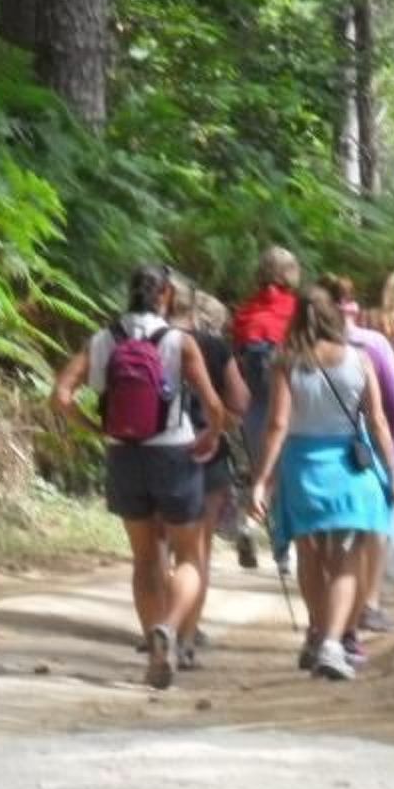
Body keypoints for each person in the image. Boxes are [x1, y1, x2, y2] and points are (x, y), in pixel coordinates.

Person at [52, 265, 227, 690]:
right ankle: (170, 625)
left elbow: (60, 395)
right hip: (174, 453)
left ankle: (154, 653)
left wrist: (95, 430)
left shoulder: (102, 339)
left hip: (123, 456)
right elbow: (215, 406)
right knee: (188, 555)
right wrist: (211, 435)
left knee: (146, 558)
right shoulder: (179, 342)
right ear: (165, 294)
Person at [247, 285, 394, 681]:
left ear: (297, 319)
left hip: (302, 468)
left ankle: (317, 634)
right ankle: (334, 643)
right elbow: (379, 421)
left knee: (310, 554)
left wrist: (261, 481)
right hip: (352, 469)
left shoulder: (286, 363)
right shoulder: (360, 359)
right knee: (347, 559)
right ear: (335, 317)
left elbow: (278, 424)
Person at [169, 275, 250, 669]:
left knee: (157, 550)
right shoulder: (214, 347)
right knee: (197, 549)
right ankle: (184, 639)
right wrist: (221, 423)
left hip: (156, 452)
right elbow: (241, 401)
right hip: (208, 451)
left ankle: (159, 625)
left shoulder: (143, 340)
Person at [322, 275, 394, 643]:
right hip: (366, 443)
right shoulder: (372, 344)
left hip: (312, 444)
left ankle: (325, 611)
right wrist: (392, 446)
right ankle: (367, 604)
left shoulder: (297, 347)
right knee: (372, 526)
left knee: (324, 533)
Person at [231, 246, 301, 572]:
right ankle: (283, 552)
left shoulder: (245, 312)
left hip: (252, 406)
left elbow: (234, 359)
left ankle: (250, 525)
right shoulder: (295, 311)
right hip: (288, 404)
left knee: (263, 473)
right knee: (284, 477)